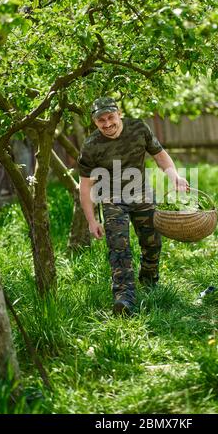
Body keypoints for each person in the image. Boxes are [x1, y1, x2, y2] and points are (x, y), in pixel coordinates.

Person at [77, 97, 189, 316]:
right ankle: (124, 297)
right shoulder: (91, 146)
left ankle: (149, 281)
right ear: (94, 122)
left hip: (142, 192)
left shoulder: (138, 128)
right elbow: (85, 187)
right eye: (101, 121)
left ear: (119, 114)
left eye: (110, 117)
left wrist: (174, 176)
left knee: (153, 243)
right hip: (112, 198)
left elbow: (160, 156)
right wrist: (91, 220)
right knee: (119, 247)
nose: (107, 124)